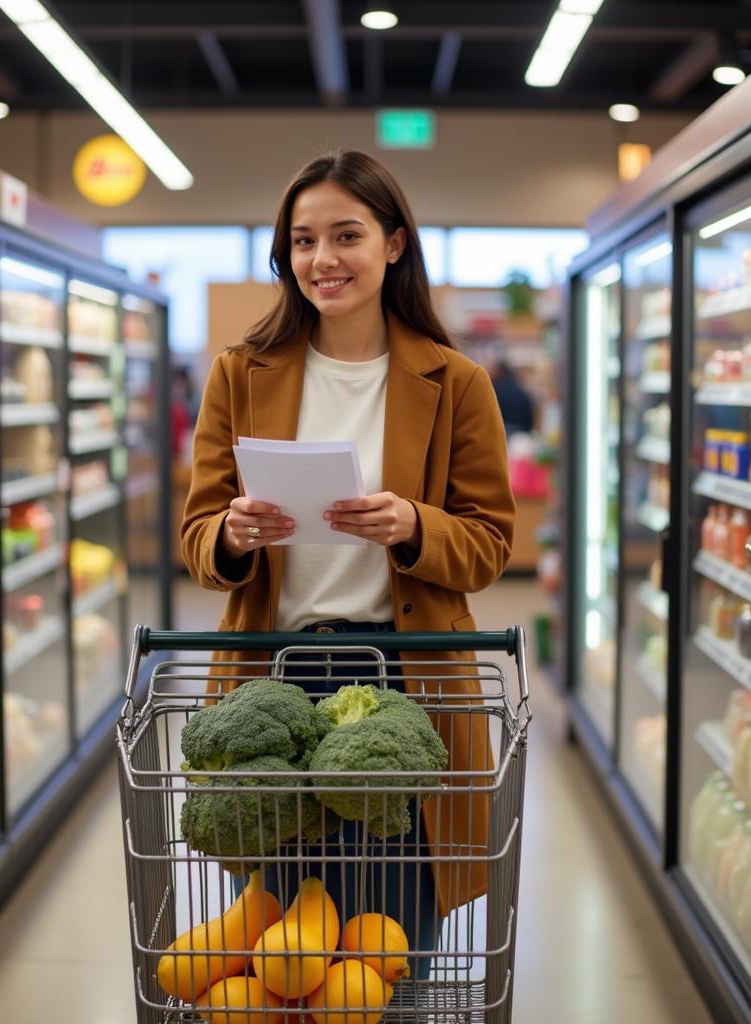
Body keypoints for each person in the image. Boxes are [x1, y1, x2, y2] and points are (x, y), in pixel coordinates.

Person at [181, 149, 515, 981]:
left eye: (346, 236)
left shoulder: (457, 381)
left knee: (391, 931)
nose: (322, 260)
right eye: (302, 241)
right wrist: (232, 533)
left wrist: (411, 524)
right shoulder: (238, 373)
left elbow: (490, 542)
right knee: (282, 937)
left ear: (395, 245)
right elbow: (194, 534)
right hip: (273, 678)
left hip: (406, 677)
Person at [491, 360, 534, 437]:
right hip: (520, 434)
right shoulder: (521, 391)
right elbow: (529, 417)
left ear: (500, 371)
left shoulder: (495, 390)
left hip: (501, 433)